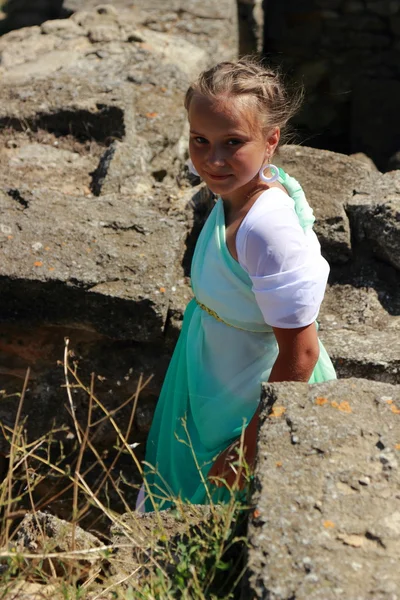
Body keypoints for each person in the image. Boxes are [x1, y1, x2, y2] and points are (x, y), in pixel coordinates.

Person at [138, 58, 336, 513]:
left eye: (233, 142)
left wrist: (248, 448)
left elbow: (300, 352)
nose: (213, 159)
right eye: (200, 140)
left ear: (271, 141)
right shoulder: (237, 192)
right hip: (214, 375)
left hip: (246, 396)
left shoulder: (266, 228)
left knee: (216, 510)